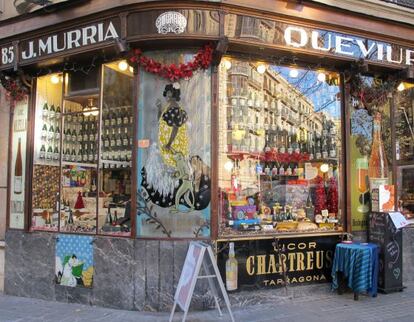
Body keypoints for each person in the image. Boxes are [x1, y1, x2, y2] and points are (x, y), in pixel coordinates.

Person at [156, 83, 189, 167]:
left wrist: (169, 144)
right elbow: (160, 120)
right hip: (168, 146)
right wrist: (159, 108)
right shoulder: (168, 107)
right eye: (167, 93)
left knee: (175, 166)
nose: (167, 95)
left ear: (174, 94)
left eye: (169, 93)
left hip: (173, 146)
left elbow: (175, 128)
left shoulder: (174, 108)